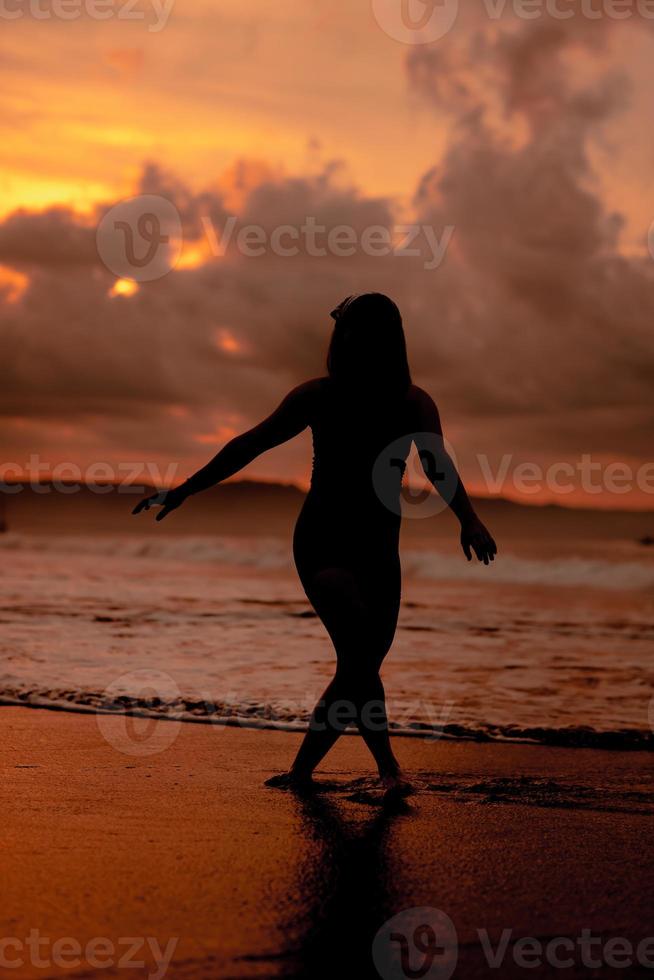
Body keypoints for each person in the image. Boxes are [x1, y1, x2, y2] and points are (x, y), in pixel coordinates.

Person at [133, 293, 497, 799]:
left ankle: (304, 774)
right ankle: (389, 770)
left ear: (386, 342)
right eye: (346, 332)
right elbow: (250, 443)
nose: (349, 341)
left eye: (360, 333)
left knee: (358, 664)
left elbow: (437, 465)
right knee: (359, 657)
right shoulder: (318, 396)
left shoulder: (413, 402)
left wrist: (469, 518)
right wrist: (185, 489)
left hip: (380, 550)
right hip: (323, 543)